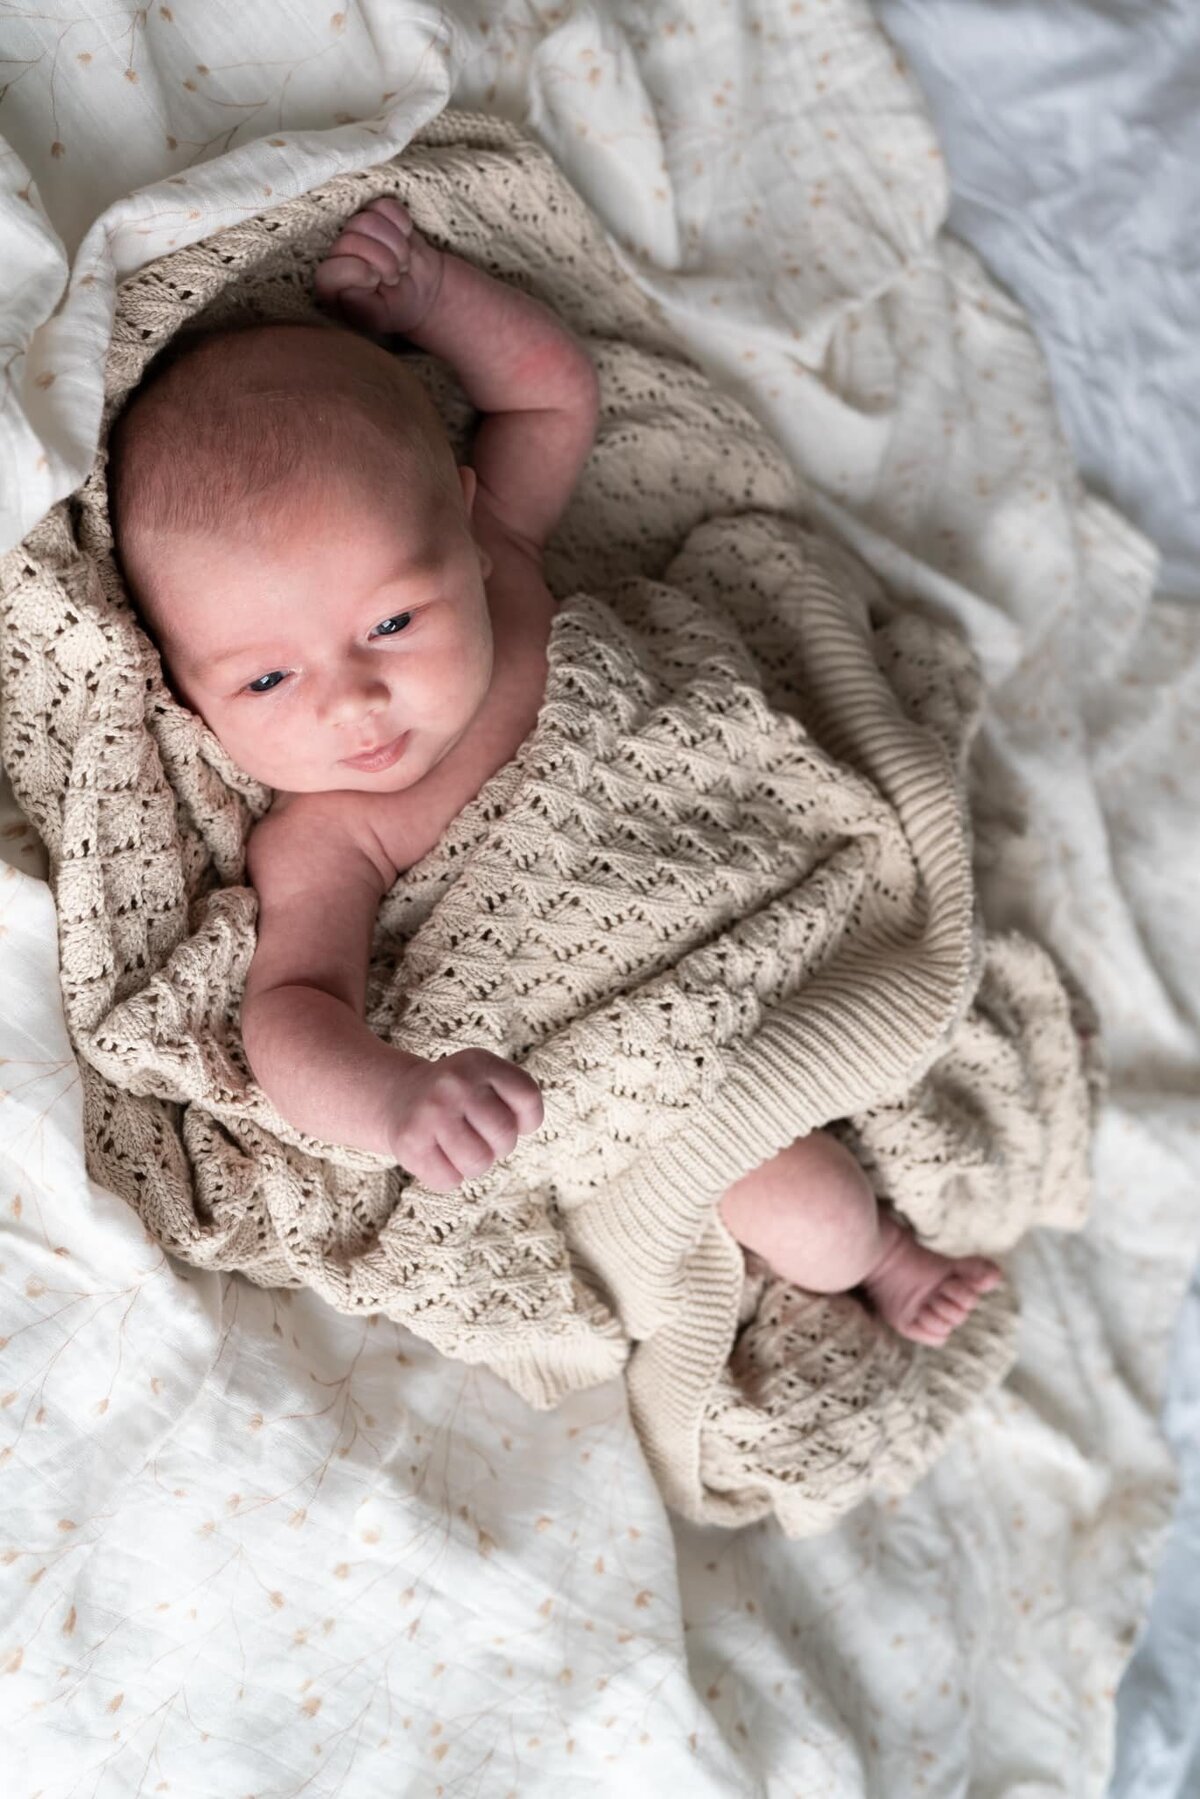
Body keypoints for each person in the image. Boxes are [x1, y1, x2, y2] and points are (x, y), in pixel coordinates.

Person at [108, 197, 1001, 1347]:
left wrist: (432, 298)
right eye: (266, 684)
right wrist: (395, 1099)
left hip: (770, 880)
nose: (354, 699)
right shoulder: (325, 832)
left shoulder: (506, 565)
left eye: (391, 618)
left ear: (467, 530)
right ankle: (884, 1255)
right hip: (644, 1057)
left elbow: (548, 390)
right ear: (183, 691)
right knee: (814, 1211)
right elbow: (292, 1014)